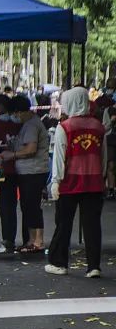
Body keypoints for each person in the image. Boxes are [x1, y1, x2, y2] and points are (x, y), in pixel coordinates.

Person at [45, 87, 106, 278]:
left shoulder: (65, 127)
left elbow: (60, 157)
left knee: (64, 224)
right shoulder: (98, 127)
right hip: (94, 183)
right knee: (92, 225)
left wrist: (55, 182)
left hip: (69, 182)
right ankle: (93, 266)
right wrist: (101, 176)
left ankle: (59, 263)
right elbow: (103, 157)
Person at [1, 95, 49, 253]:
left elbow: (31, 149)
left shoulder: (32, 125)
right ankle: (31, 240)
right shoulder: (28, 124)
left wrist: (12, 155)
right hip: (28, 171)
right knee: (27, 206)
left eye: (15, 114)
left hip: (33, 171)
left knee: (32, 206)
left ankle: (38, 241)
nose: (15, 118)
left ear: (20, 112)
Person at [0, 94, 25, 253]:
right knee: (7, 206)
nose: (0, 116)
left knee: (19, 206)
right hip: (7, 170)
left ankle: (23, 239)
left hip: (23, 168)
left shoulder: (22, 121)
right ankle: (9, 239)